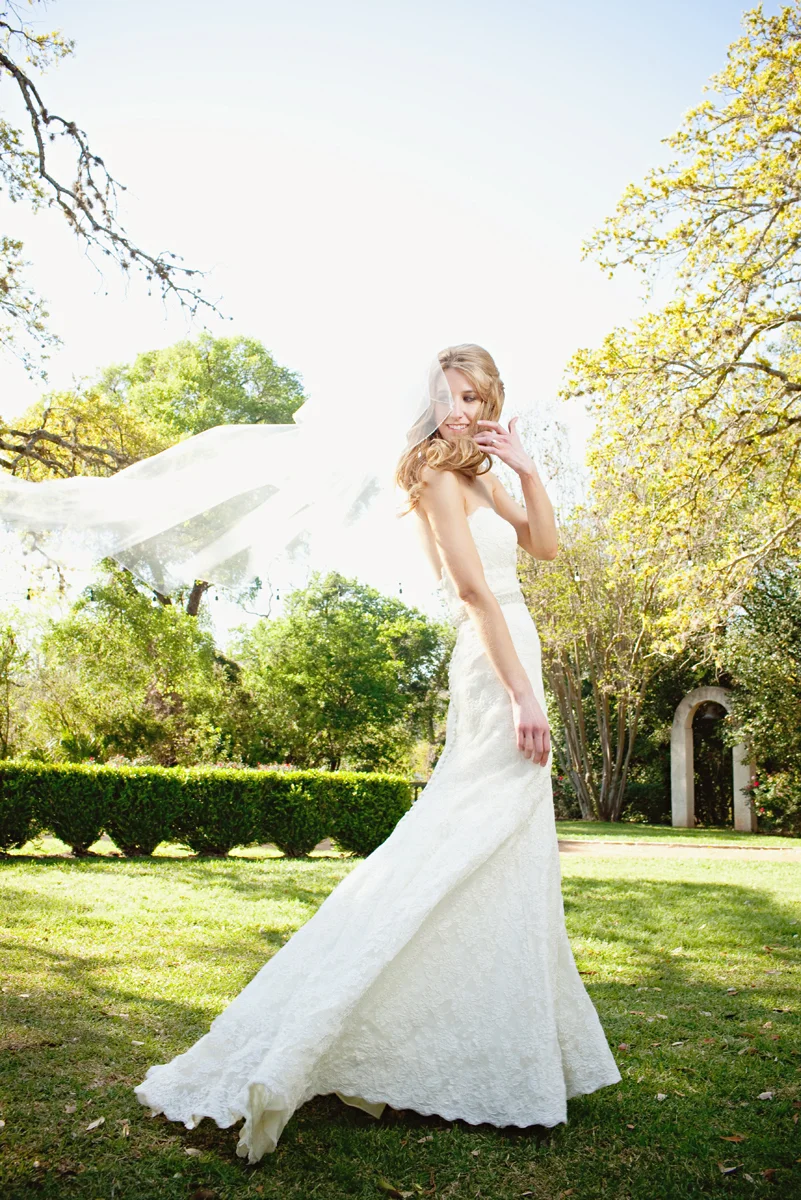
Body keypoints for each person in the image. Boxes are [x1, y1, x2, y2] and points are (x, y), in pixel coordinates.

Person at [131, 343, 622, 1161]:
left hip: (517, 647)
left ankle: (464, 1040)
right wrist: (522, 697)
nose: (459, 408)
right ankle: (317, 1024)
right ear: (427, 400)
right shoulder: (429, 473)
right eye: (448, 394)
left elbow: (544, 548)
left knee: (505, 848)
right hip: (492, 662)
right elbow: (471, 592)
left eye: (473, 395)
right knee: (455, 836)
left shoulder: (475, 473)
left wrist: (531, 471)